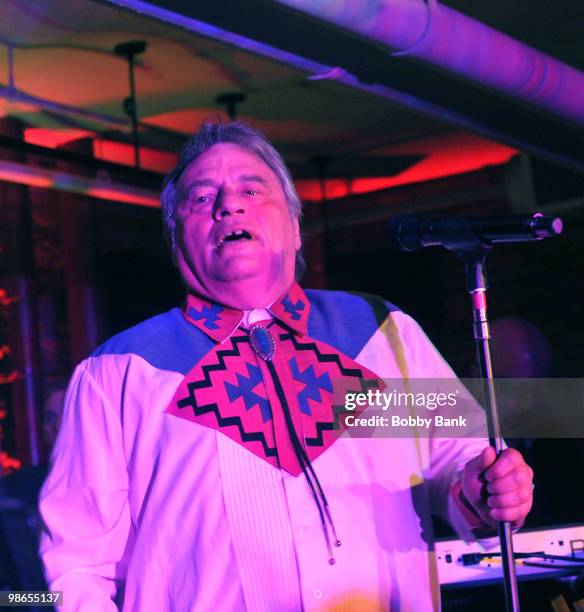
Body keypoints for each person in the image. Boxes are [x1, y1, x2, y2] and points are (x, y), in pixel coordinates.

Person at [39, 122, 533, 611]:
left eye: (252, 189)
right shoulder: (118, 373)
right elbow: (77, 564)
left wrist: (484, 489)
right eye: (201, 198)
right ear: (176, 241)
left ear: (295, 228)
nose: (229, 204)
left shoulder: (383, 330)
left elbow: (458, 461)